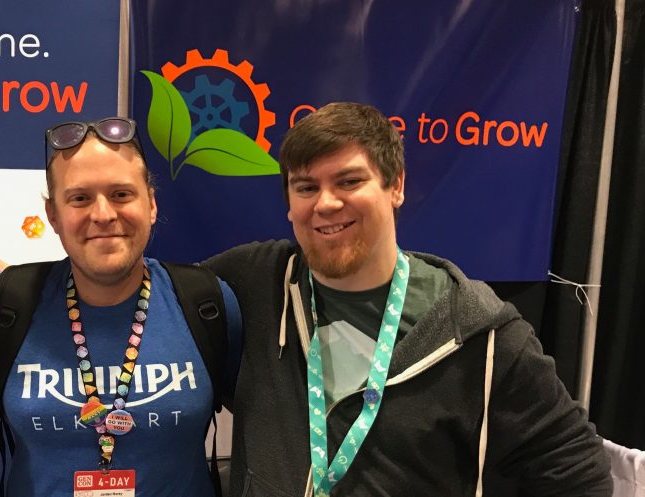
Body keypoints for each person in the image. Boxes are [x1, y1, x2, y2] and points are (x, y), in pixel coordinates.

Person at [203, 102, 612, 497]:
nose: (325, 203)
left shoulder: (476, 330)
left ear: (395, 186)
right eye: (306, 187)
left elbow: (578, 471)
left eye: (349, 181)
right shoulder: (254, 282)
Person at [0, 117, 241, 496]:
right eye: (80, 198)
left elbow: (267, 425)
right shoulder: (8, 303)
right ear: (53, 215)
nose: (103, 214)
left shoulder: (207, 303)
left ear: (151, 204)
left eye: (121, 194)